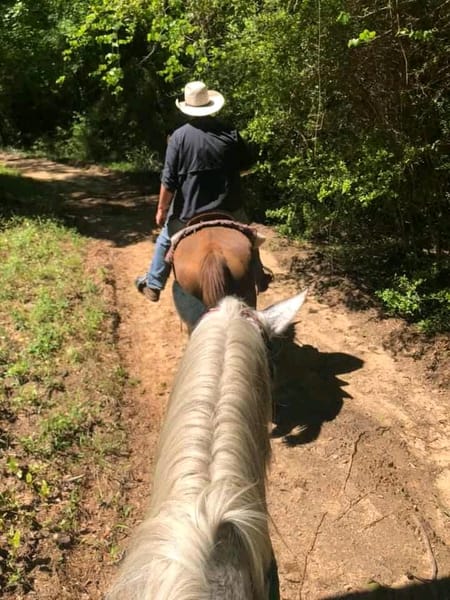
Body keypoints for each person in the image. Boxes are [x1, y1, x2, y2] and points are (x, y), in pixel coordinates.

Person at [135, 80, 272, 302]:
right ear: (210, 105)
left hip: (188, 212)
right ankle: (259, 276)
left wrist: (161, 209)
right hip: (229, 207)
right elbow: (246, 165)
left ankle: (153, 284)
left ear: (188, 108)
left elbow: (168, 180)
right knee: (249, 236)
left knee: (165, 239)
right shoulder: (230, 133)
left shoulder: (178, 137)